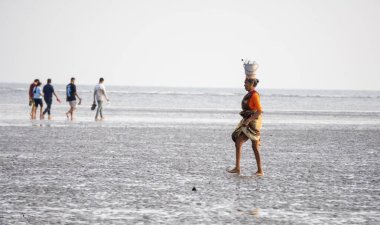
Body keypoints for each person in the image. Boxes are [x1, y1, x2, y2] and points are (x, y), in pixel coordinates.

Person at [228, 77, 264, 176]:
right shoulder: (249, 94)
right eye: (244, 83)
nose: (244, 85)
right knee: (238, 142)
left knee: (255, 146)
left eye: (246, 83)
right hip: (247, 121)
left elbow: (259, 111)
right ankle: (237, 168)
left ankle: (260, 170)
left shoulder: (255, 95)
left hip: (253, 123)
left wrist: (248, 120)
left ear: (251, 83)